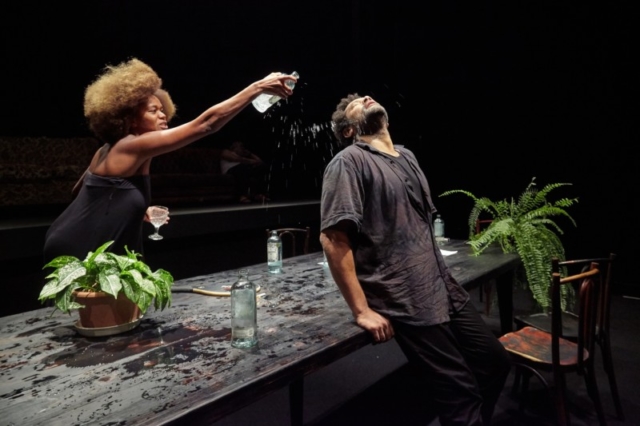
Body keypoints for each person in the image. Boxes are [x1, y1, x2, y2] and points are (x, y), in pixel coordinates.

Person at [319, 94, 510, 426]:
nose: (366, 97)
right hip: (404, 294)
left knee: (494, 362)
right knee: (461, 397)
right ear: (349, 130)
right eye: (356, 104)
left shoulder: (406, 156)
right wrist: (362, 310)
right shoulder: (348, 162)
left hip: (440, 285)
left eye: (367, 96)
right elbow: (334, 239)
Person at [43, 58, 296, 263]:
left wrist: (135, 208)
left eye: (162, 109)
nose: (163, 115)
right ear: (130, 119)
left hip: (69, 235)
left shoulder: (109, 150)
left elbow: (81, 192)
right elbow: (206, 125)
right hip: (78, 246)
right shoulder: (132, 145)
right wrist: (257, 88)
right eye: (153, 111)